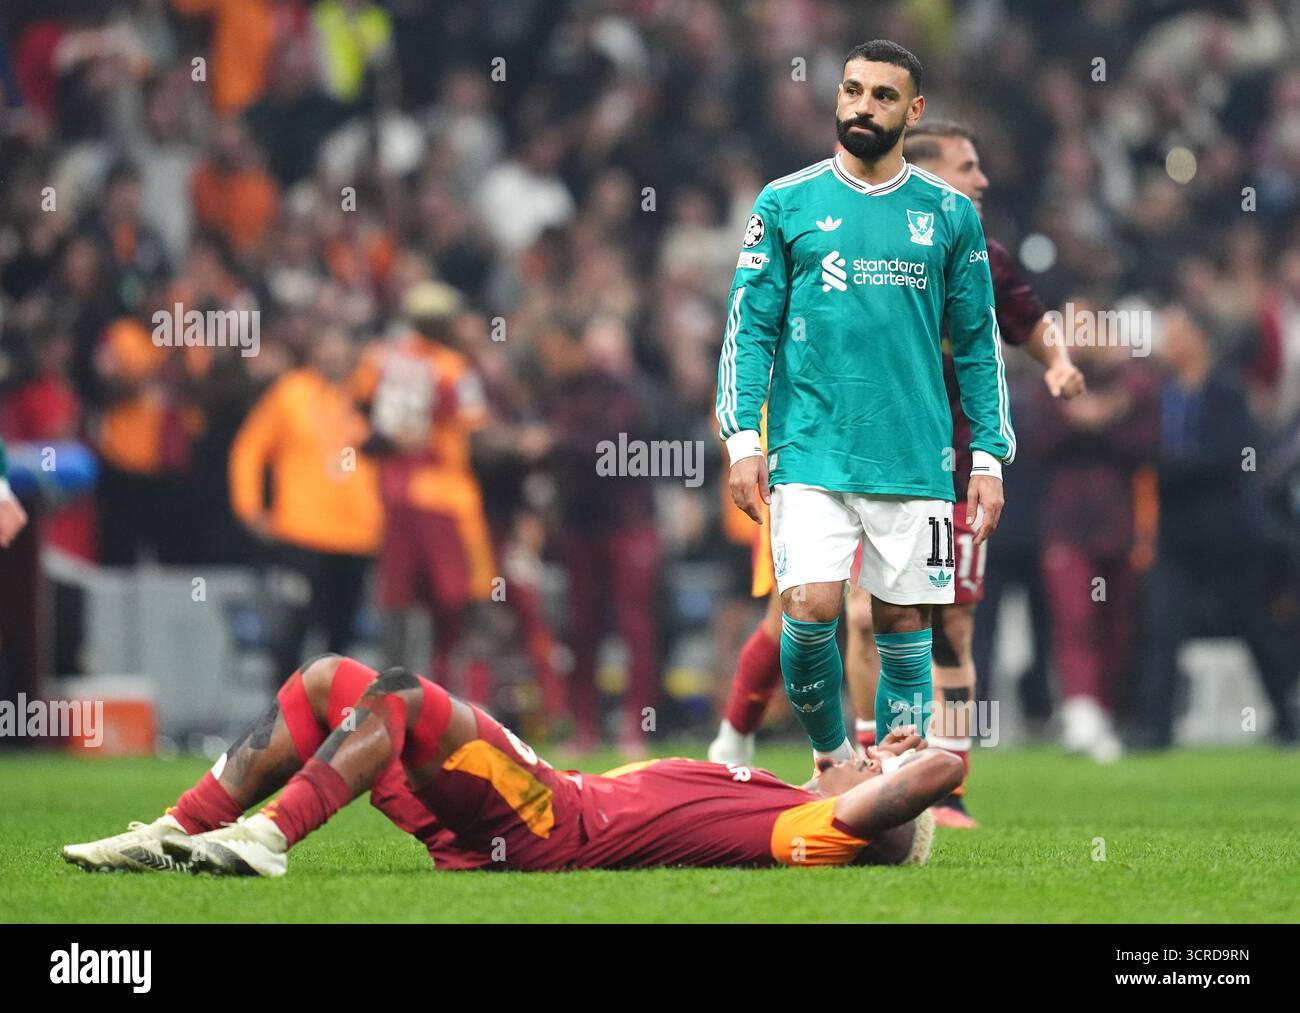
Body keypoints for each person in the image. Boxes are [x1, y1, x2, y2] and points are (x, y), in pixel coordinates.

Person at [716, 41, 1014, 772]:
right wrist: (741, 441)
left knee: (903, 618)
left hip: (915, 453)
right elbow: (747, 327)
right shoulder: (786, 203)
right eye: (852, 90)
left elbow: (979, 344)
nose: (861, 105)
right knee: (810, 607)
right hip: (810, 444)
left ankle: (894, 770)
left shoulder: (949, 214)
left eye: (882, 95)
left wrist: (988, 458)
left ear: (911, 112)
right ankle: (832, 757)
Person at [62, 653, 959, 875]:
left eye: (872, 769)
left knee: (403, 694)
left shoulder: (809, 831)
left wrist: (901, 770)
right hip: (518, 822)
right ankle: (179, 826)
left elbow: (937, 774)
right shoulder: (783, 793)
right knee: (332, 679)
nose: (867, 753)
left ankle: (266, 834)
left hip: (547, 822)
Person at [228, 326, 382, 684]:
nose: (335, 356)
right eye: (327, 347)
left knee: (342, 638)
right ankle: (285, 719)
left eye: (342, 348)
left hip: (357, 537)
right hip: (301, 533)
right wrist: (249, 508)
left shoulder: (366, 399)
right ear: (313, 352)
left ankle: (334, 720)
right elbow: (249, 448)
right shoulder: (291, 393)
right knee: (293, 629)